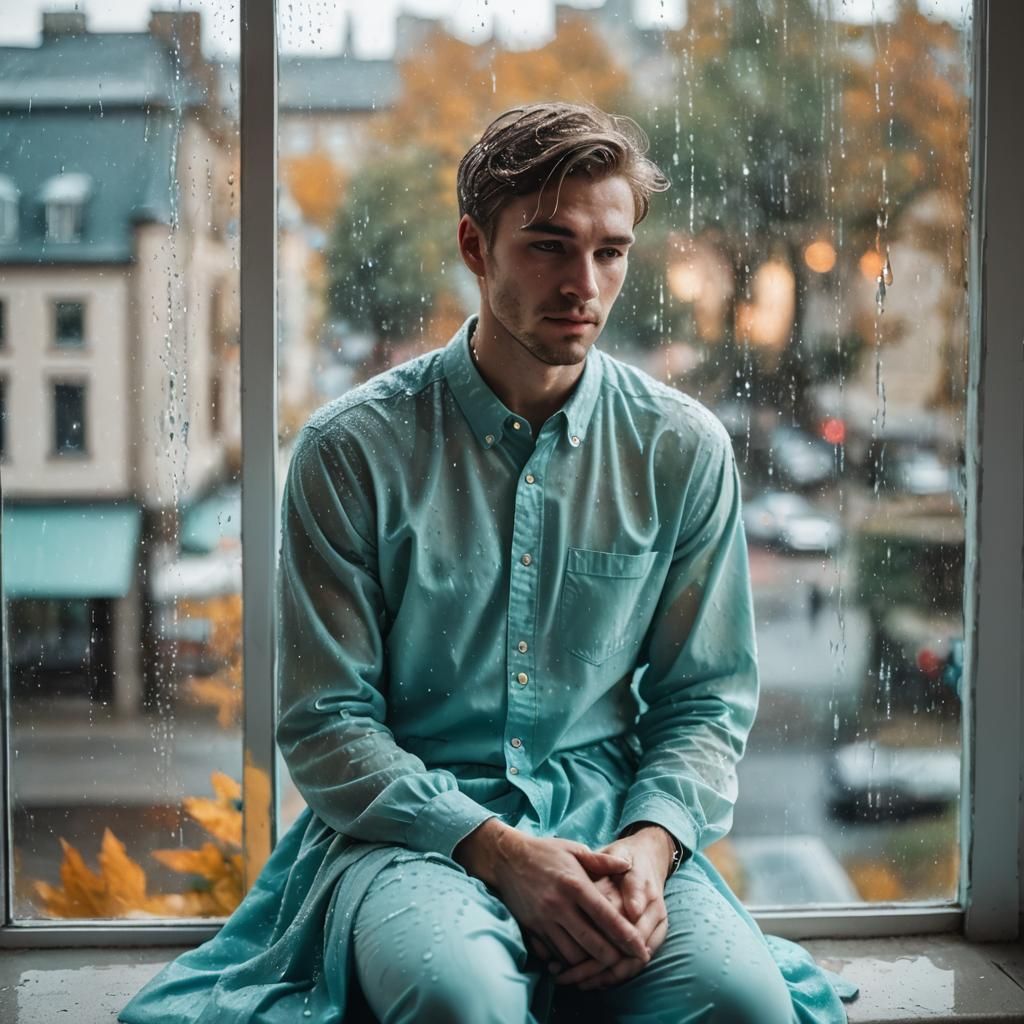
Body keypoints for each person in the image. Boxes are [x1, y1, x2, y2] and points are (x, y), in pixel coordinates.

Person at [121, 102, 856, 1024]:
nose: (583, 283)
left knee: (742, 1002)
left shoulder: (683, 449)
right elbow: (323, 721)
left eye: (610, 251)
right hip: (411, 838)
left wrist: (651, 846)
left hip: (611, 823)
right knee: (456, 998)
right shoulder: (352, 452)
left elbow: (704, 700)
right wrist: (500, 852)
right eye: (548, 245)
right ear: (476, 246)